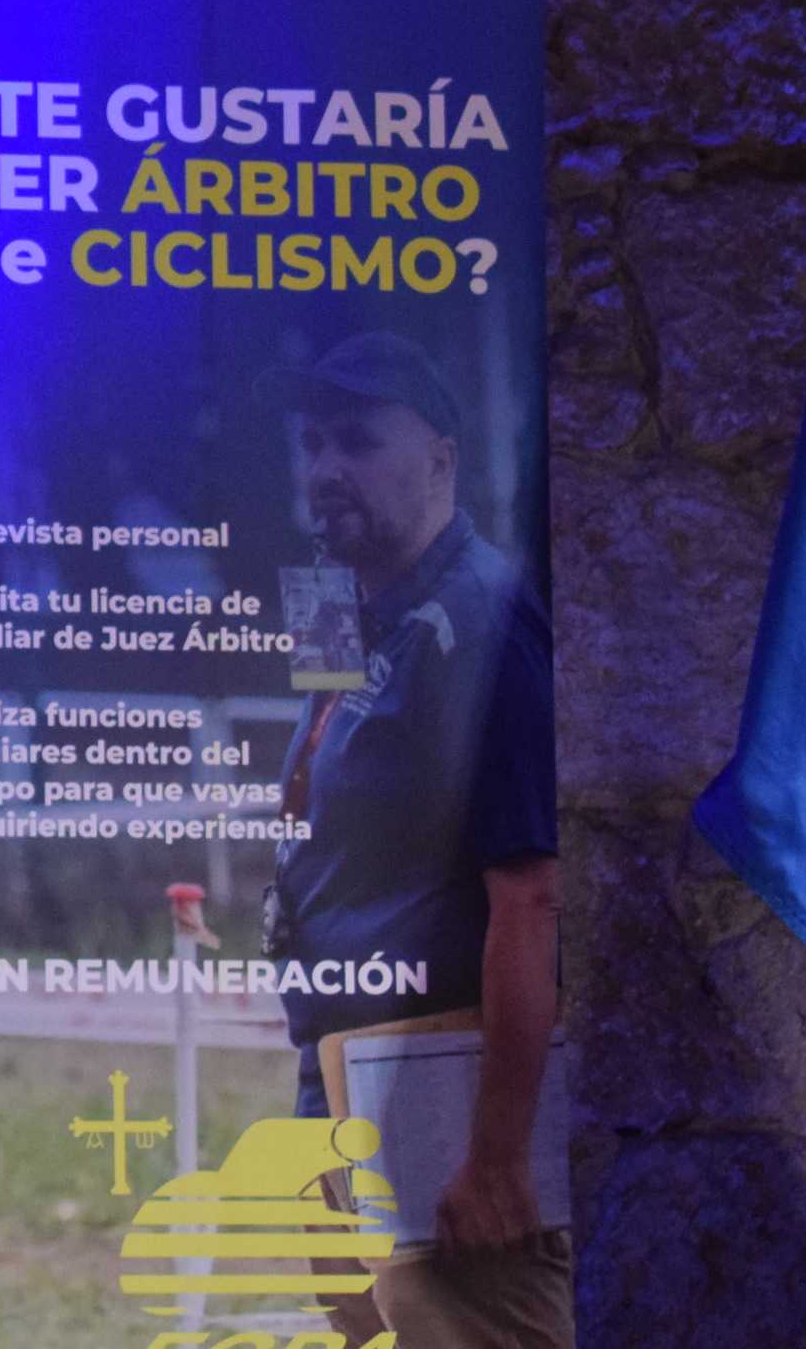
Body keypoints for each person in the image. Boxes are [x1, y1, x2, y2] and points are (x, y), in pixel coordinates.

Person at [261, 331, 568, 1347]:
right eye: (310, 443)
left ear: (440, 455)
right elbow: (317, 790)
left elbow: (529, 896)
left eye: (355, 439)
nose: (325, 468)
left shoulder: (483, 619)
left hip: (437, 1088)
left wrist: (495, 1158)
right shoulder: (343, 597)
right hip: (336, 1073)